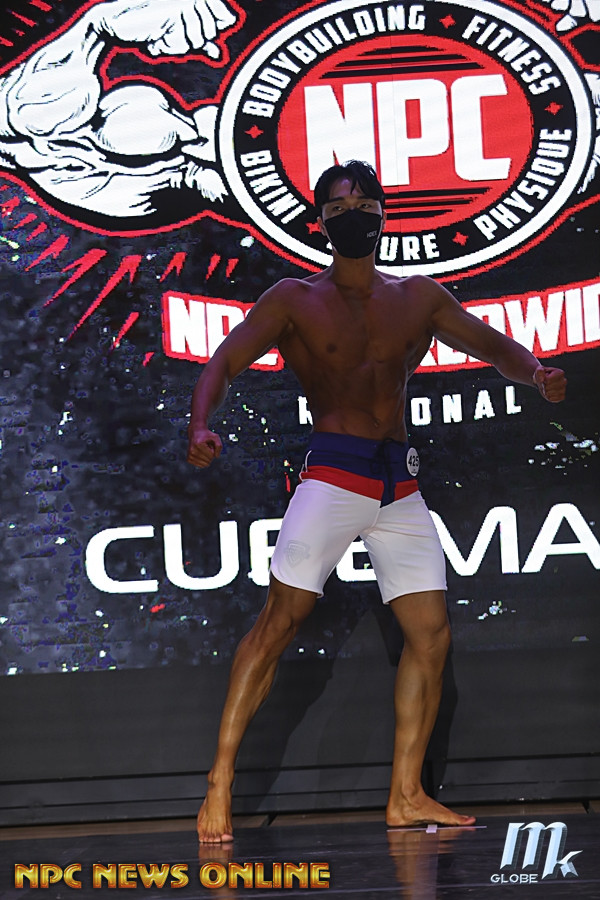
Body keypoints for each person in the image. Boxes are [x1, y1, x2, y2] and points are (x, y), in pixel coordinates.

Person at [187, 160, 567, 843]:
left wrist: (536, 373)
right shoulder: (294, 299)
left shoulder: (418, 297)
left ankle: (406, 794)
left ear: (384, 216)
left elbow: (491, 346)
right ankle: (219, 782)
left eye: (364, 204)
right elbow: (224, 362)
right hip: (332, 479)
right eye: (339, 207)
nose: (353, 214)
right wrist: (199, 424)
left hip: (399, 486)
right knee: (277, 625)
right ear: (322, 222)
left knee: (431, 635)